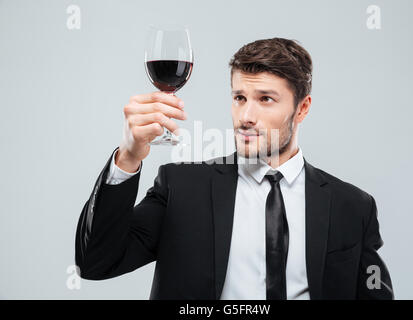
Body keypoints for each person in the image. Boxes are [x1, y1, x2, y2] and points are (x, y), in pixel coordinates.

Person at [75, 38, 394, 300]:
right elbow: (96, 263)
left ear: (302, 108)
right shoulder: (182, 188)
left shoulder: (353, 206)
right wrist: (129, 157)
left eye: (265, 99)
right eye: (239, 97)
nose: (246, 116)